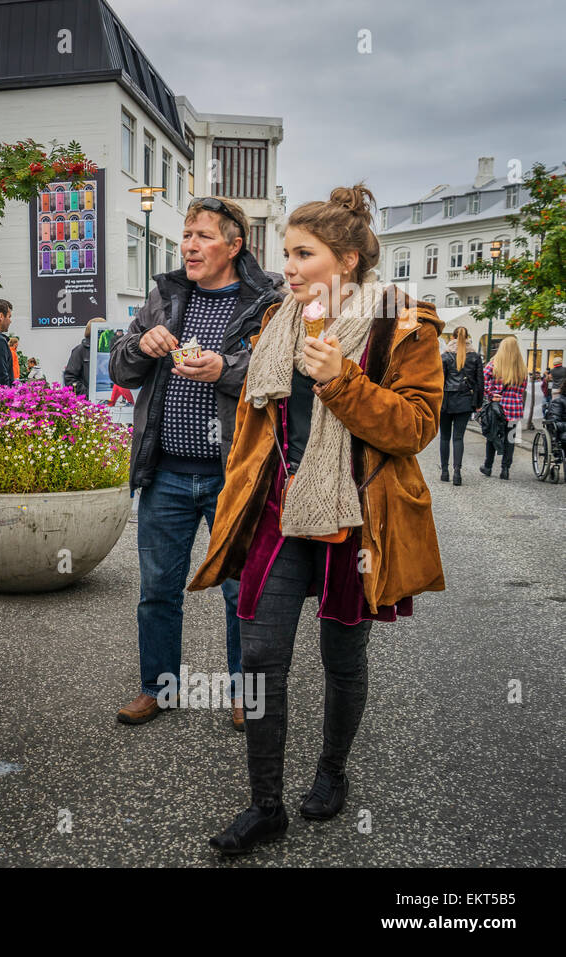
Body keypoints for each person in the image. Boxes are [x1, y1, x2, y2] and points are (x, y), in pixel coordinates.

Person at [189, 184, 445, 855]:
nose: (290, 266)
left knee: (342, 655)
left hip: (355, 516)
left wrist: (343, 381)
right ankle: (265, 804)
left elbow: (416, 427)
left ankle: (332, 772)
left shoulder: (402, 323)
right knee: (262, 652)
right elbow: (259, 418)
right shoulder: (278, 318)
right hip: (280, 509)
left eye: (303, 253)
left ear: (349, 259)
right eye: (287, 253)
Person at [109, 195, 283, 732]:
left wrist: (225, 369)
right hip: (165, 473)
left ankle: (241, 692)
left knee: (241, 592)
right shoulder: (164, 294)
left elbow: (278, 369)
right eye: (187, 235)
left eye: (204, 236)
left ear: (235, 245)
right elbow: (119, 362)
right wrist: (142, 343)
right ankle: (157, 688)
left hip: (235, 475)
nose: (190, 245)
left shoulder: (267, 299)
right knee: (157, 589)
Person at [438, 326, 483, 485]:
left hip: (446, 400)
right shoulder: (475, 357)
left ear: (452, 338)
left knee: (444, 437)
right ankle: (457, 472)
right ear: (467, 337)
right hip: (465, 400)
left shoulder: (445, 357)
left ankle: (445, 471)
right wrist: (478, 403)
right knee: (458, 438)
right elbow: (479, 382)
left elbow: (439, 382)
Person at [479, 337, 526, 479]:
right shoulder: (522, 368)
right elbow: (523, 389)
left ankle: (488, 466)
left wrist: (492, 395)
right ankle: (505, 469)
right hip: (515, 409)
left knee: (492, 435)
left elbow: (484, 383)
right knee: (510, 439)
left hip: (497, 409)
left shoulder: (494, 365)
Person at [63, 320, 97, 398]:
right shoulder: (79, 350)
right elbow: (69, 377)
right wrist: (87, 394)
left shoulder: (110, 350)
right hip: (87, 403)